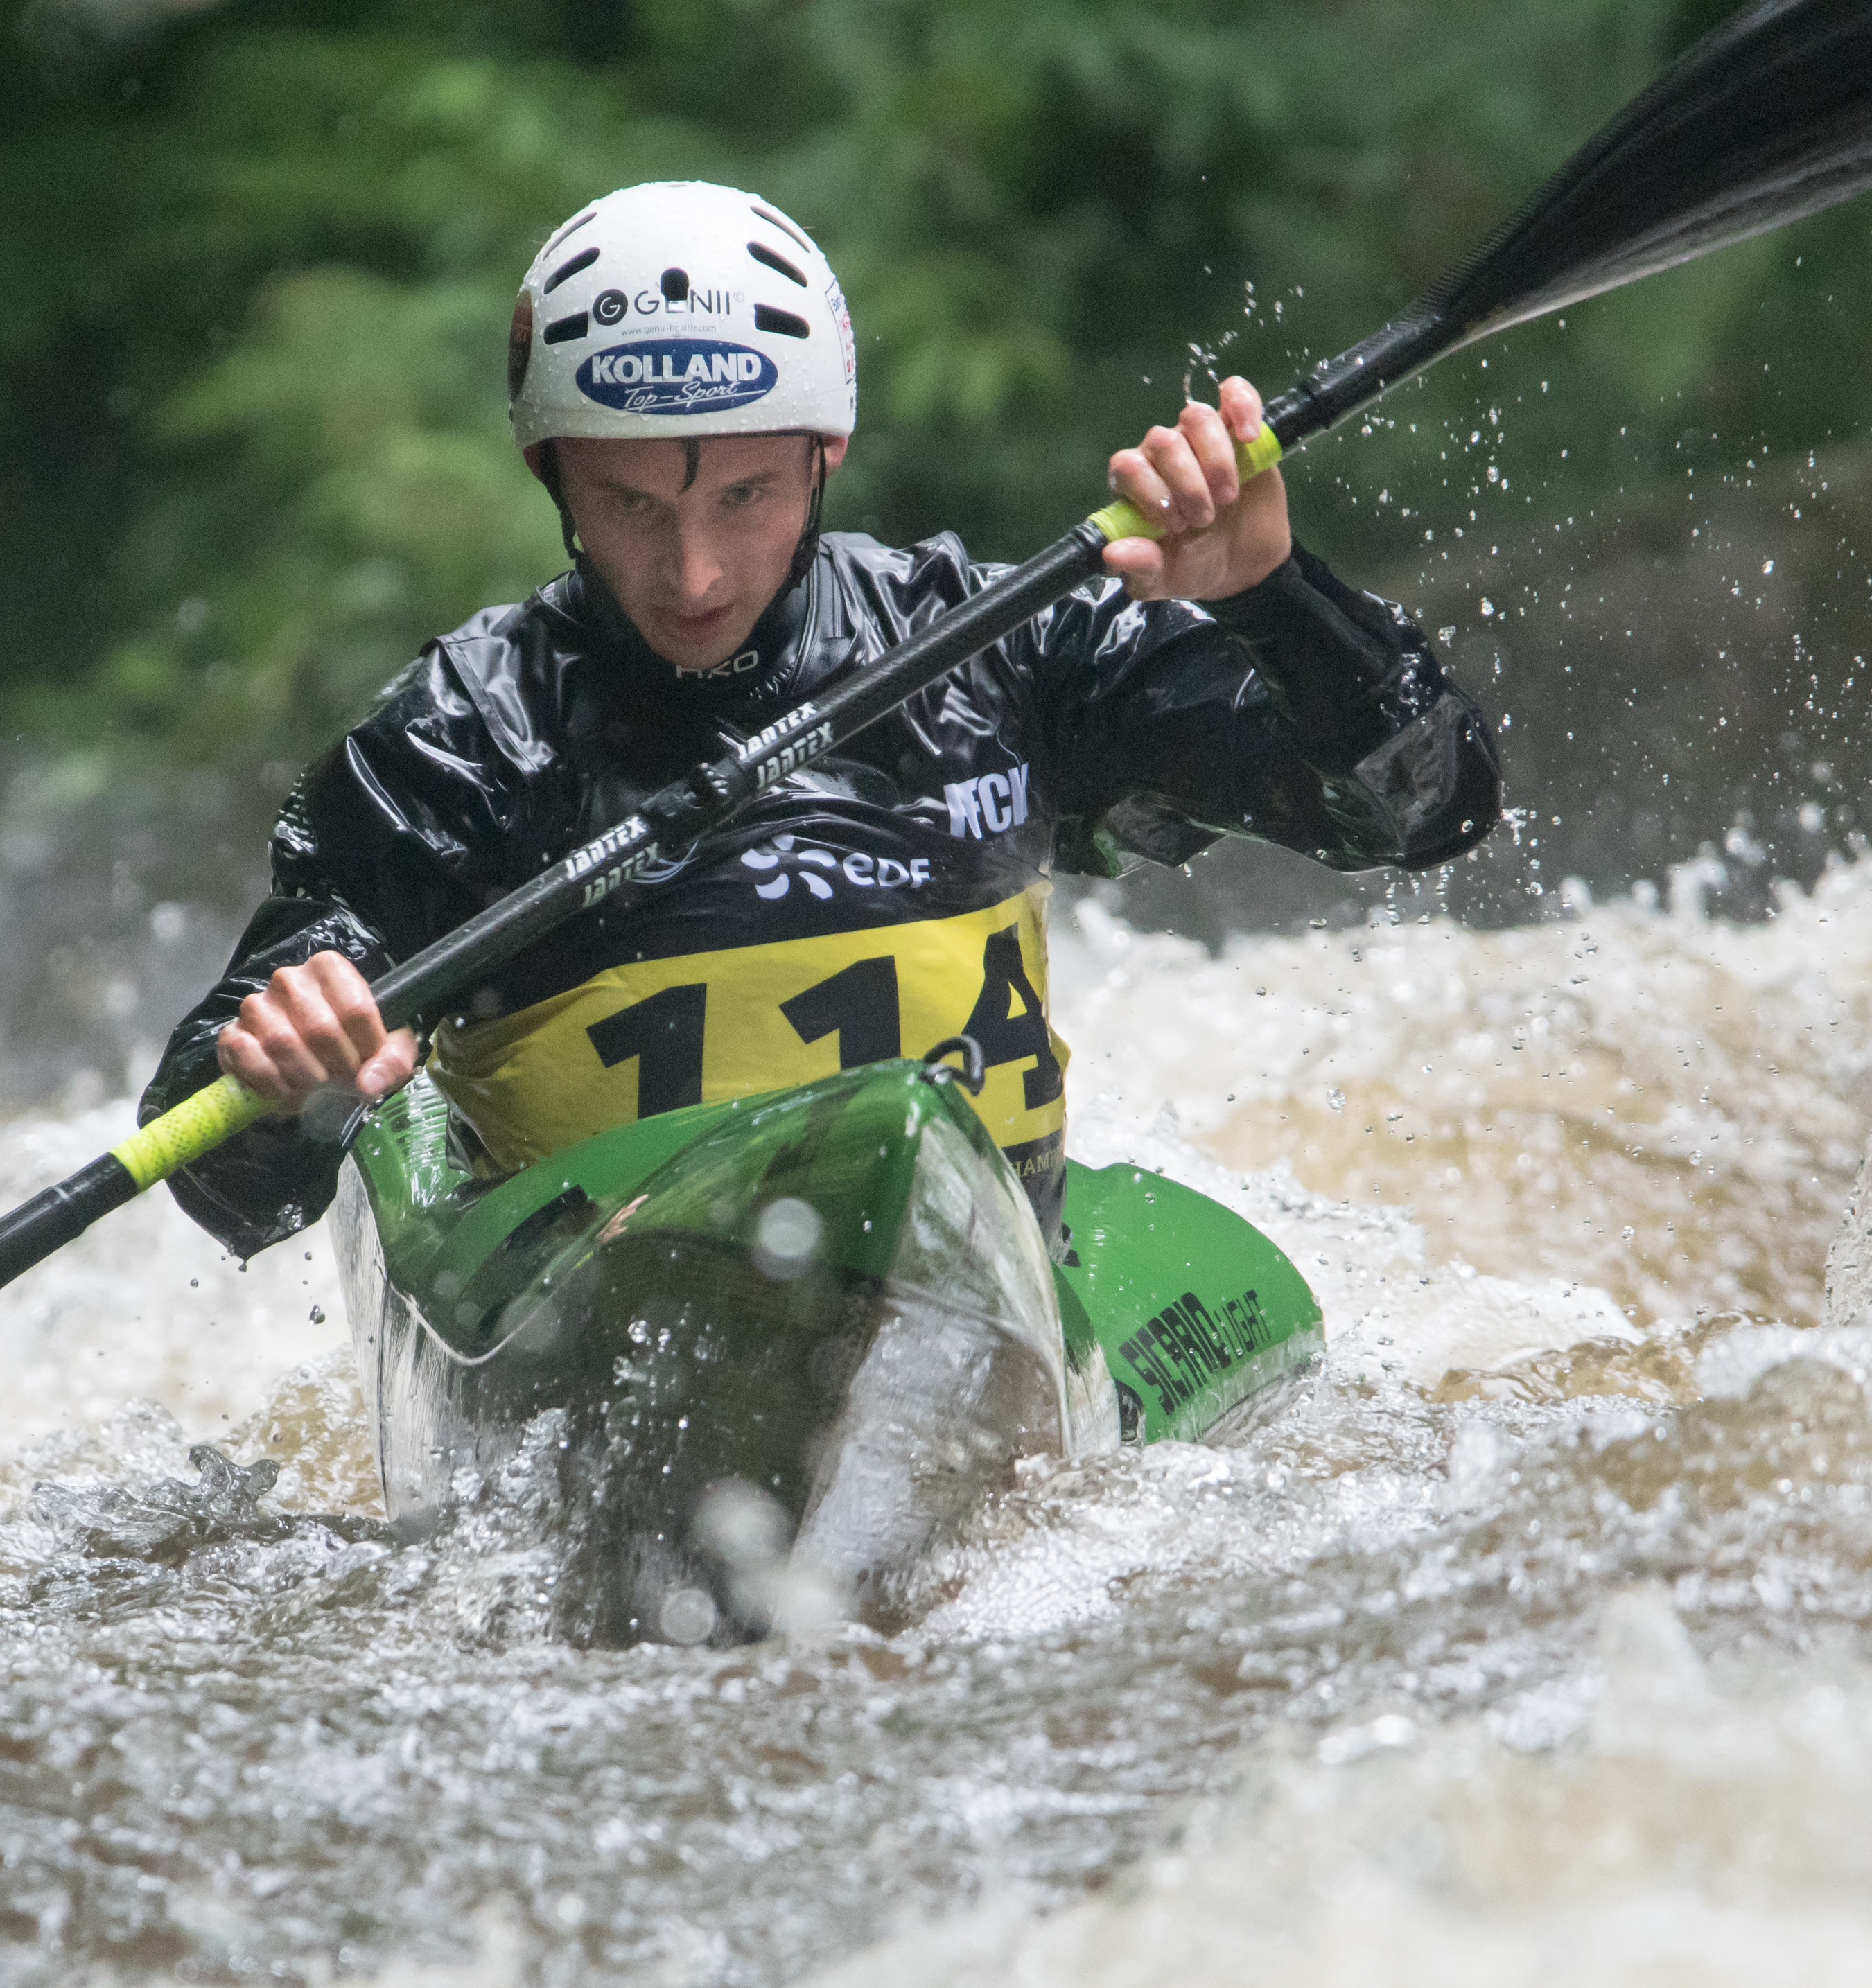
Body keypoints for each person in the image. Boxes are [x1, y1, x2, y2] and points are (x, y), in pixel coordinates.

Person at [141, 179, 1502, 1254]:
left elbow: (1421, 811)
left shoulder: (996, 648)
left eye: (745, 497)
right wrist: (288, 1076)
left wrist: (1274, 595)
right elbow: (231, 1194)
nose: (695, 575)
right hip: (604, 1326)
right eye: (635, 505)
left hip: (972, 1280)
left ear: (824, 453)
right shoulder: (463, 742)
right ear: (552, 473)